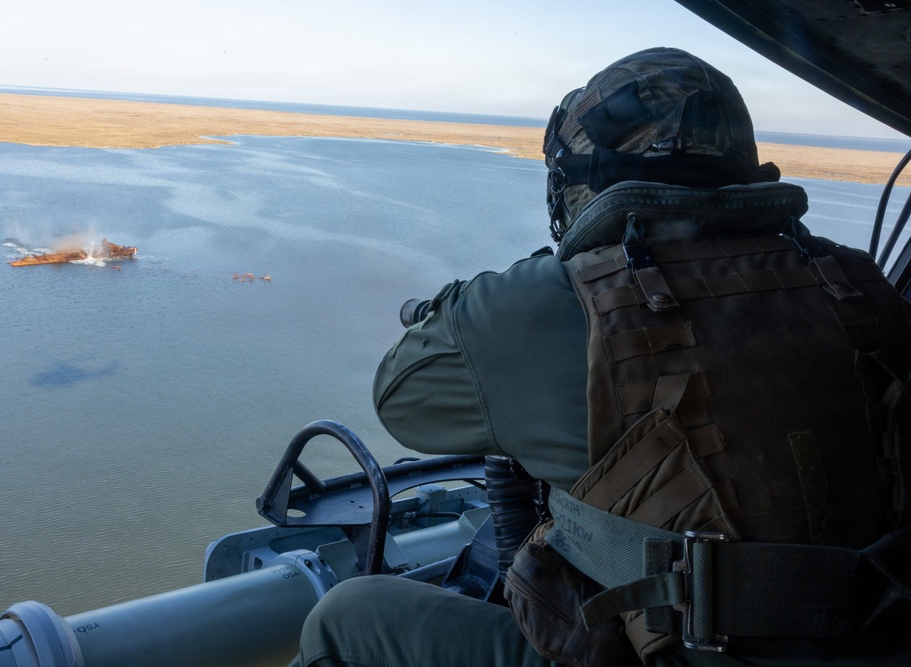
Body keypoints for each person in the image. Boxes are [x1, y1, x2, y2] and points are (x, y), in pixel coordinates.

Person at [289, 47, 911, 666]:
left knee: (348, 618)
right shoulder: (860, 286)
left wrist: (482, 307)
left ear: (591, 176)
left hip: (663, 655)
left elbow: (402, 401)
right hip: (885, 641)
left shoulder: (552, 302)